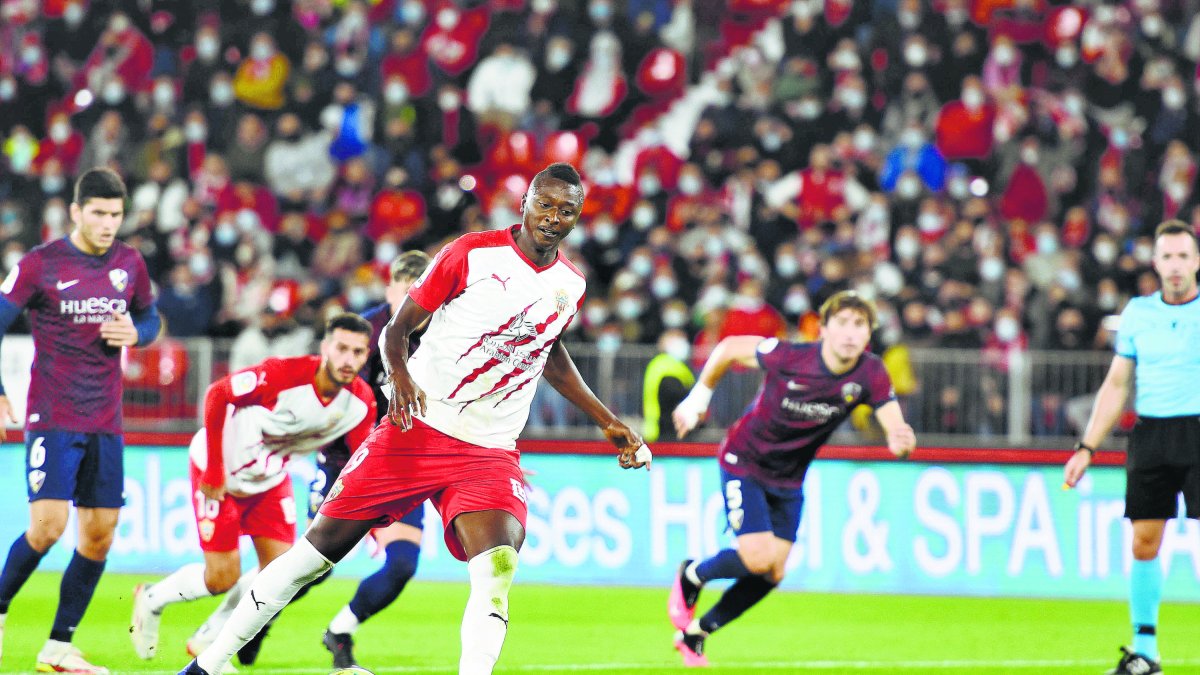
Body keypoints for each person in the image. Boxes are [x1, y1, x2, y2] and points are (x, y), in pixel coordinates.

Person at [178, 162, 649, 675]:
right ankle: (206, 665)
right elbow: (395, 330)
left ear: (578, 218)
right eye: (545, 204)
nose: (553, 218)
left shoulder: (570, 285)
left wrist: (607, 420)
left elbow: (549, 351)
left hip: (490, 450)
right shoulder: (470, 253)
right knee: (312, 558)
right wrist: (399, 376)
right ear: (524, 203)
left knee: (497, 569)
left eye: (566, 211)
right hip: (418, 431)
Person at [668, 290, 916, 667]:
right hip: (744, 460)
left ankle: (698, 632)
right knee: (757, 557)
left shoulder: (870, 372)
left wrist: (901, 438)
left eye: (860, 325)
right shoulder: (792, 355)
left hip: (789, 479)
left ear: (869, 334)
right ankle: (692, 574)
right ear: (824, 328)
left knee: (774, 571)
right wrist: (698, 399)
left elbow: (893, 421)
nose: (851, 333)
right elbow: (732, 347)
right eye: (843, 323)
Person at [129, 314, 377, 664]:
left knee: (278, 575)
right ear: (325, 348)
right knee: (220, 578)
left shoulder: (359, 403)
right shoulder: (283, 375)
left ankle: (210, 639)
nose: (348, 359)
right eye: (341, 349)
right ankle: (153, 598)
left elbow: (357, 464)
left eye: (357, 352)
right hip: (220, 471)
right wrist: (214, 469)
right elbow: (219, 394)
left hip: (269, 480)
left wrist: (367, 518)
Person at [229, 250, 434, 669]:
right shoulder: (369, 332)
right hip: (346, 460)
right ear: (392, 289)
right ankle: (253, 621)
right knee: (313, 567)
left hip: (402, 465)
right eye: (408, 291)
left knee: (401, 566)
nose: (419, 303)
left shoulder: (439, 335)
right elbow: (335, 394)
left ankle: (339, 632)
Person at [0, 167, 159, 674]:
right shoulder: (41, 264)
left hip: (106, 421)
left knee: (99, 536)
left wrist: (138, 331)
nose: (109, 223)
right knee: (48, 527)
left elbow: (150, 319)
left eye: (116, 214)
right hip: (53, 416)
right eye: (99, 213)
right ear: (75, 211)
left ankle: (58, 647)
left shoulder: (130, 263)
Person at [1063, 220, 1200, 675]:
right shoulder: (1139, 313)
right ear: (1156, 263)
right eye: (1168, 257)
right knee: (1144, 542)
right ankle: (1145, 653)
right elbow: (1117, 383)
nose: (1176, 266)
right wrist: (1087, 447)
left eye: (1184, 256)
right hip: (1153, 435)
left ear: (1196, 262)